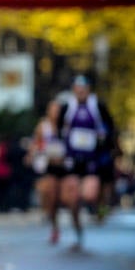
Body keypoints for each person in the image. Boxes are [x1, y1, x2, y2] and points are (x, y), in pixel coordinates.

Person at [57, 75, 117, 250]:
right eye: (77, 87)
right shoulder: (67, 106)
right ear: (73, 89)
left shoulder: (97, 106)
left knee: (89, 194)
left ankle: (97, 207)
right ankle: (78, 231)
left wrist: (105, 142)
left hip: (93, 159)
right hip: (72, 159)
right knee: (71, 199)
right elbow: (59, 129)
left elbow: (110, 127)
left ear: (89, 89)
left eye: (84, 87)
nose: (81, 90)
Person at [26, 99, 66, 244]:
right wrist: (31, 155)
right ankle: (53, 224)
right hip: (48, 165)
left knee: (64, 196)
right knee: (48, 192)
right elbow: (35, 142)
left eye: (58, 110)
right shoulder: (43, 126)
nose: (55, 113)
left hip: (65, 165)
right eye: (53, 109)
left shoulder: (66, 125)